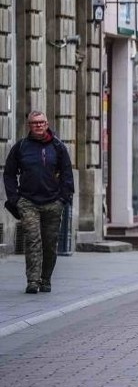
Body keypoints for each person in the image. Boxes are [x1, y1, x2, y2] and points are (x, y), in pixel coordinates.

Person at [3, 111, 74, 294]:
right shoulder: (21, 147)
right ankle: (33, 281)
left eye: (42, 122)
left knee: (50, 243)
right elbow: (9, 174)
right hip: (28, 202)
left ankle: (46, 279)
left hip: (53, 202)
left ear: (47, 123)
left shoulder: (58, 147)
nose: (39, 125)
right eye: (35, 123)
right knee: (33, 240)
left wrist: (63, 198)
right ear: (29, 126)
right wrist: (14, 199)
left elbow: (67, 174)